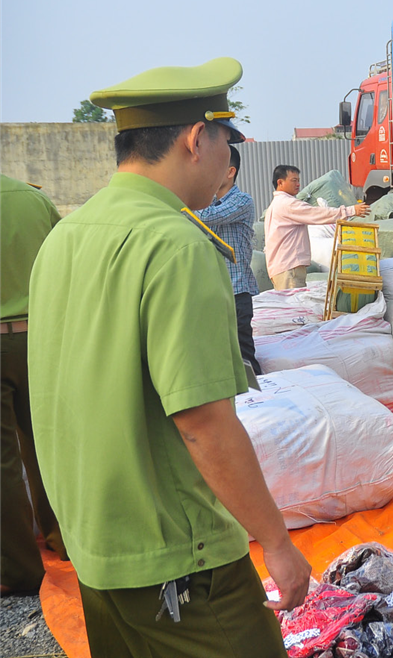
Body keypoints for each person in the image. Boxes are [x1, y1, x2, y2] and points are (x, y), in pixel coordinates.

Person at [27, 57, 310, 657]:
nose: (228, 162)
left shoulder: (66, 236)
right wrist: (277, 543)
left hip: (97, 547)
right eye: (226, 143)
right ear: (194, 139)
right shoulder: (176, 244)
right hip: (180, 561)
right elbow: (203, 424)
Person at [0, 174, 64, 596]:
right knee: (51, 443)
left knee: (3, 463)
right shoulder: (32, 200)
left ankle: (20, 569)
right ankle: (69, 539)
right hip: (42, 334)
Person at [196, 146, 261, 375]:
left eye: (212, 167)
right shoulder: (209, 203)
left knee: (244, 359)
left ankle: (263, 403)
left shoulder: (242, 201)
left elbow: (206, 219)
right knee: (221, 359)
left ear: (230, 171)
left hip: (236, 294)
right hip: (215, 293)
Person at [264, 164, 367, 290]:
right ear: (280, 182)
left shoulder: (275, 205)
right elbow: (316, 214)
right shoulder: (287, 204)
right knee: (295, 306)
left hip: (281, 267)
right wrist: (349, 211)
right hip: (289, 268)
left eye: (298, 180)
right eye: (294, 180)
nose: (298, 184)